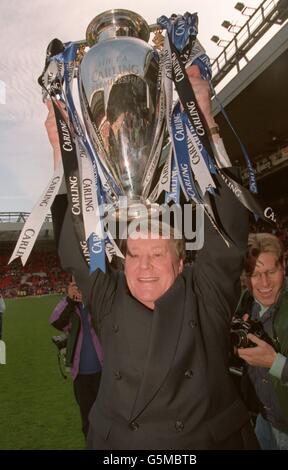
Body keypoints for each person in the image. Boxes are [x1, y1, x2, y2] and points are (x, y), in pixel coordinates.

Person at [45, 65, 258, 449]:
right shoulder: (110, 302)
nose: (143, 266)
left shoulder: (203, 297)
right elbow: (74, 250)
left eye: (157, 254)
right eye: (135, 254)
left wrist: (205, 119)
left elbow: (228, 230)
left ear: (181, 263)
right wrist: (64, 159)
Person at [236, 233, 288, 450]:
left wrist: (275, 363)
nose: (264, 283)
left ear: (283, 265)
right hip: (264, 418)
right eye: (255, 275)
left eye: (271, 272)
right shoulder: (246, 300)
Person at [50, 279, 103, 438]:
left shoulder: (99, 301)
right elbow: (56, 321)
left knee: (109, 415)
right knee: (87, 419)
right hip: (80, 373)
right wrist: (69, 299)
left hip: (106, 371)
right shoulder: (71, 306)